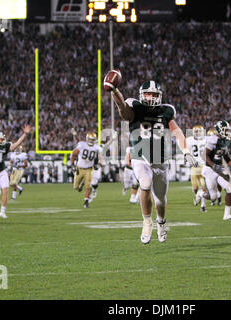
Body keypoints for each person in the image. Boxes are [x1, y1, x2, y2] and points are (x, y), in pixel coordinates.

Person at [109, 78, 197, 244]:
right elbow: (122, 108)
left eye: (153, 94)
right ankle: (147, 221)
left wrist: (186, 151)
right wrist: (115, 91)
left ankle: (161, 222)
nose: (150, 97)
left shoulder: (166, 111)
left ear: (159, 96)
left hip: (161, 160)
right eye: (147, 93)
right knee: (145, 182)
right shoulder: (135, 107)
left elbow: (176, 131)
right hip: (140, 157)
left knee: (160, 200)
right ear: (142, 95)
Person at [204, 120, 231, 221]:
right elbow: (205, 155)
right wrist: (213, 166)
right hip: (210, 169)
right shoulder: (213, 139)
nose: (227, 132)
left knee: (229, 188)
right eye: (225, 130)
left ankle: (227, 215)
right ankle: (200, 194)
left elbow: (226, 158)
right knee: (213, 197)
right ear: (219, 130)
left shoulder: (225, 141)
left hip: (220, 168)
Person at [70, 132, 103, 208]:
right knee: (76, 187)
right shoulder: (82, 145)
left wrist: (100, 163)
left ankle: (86, 202)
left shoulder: (97, 147)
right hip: (80, 168)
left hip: (89, 169)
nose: (91, 141)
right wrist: (72, 165)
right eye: (90, 139)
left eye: (93, 140)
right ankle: (80, 185)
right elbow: (73, 155)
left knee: (88, 186)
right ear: (87, 139)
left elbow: (101, 156)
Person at [186, 125, 208, 212]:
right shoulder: (189, 140)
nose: (198, 133)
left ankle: (203, 206)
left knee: (204, 188)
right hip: (194, 167)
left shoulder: (206, 140)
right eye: (196, 132)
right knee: (195, 188)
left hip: (203, 166)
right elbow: (186, 152)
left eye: (199, 131)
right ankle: (197, 195)